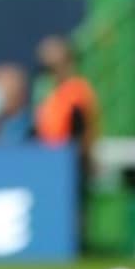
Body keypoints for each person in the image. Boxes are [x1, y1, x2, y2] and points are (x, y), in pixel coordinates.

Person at [33, 36, 99, 251]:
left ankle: (75, 247)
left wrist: (85, 156)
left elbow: (83, 129)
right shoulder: (49, 91)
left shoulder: (77, 90)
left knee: (72, 208)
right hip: (49, 159)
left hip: (71, 159)